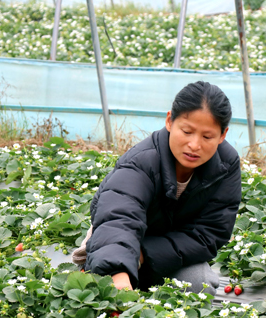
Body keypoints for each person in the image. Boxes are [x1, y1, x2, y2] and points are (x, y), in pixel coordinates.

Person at [73, 81, 241, 294]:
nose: (195, 145)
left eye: (207, 137)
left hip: (165, 257)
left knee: (201, 285)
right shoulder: (140, 162)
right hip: (116, 247)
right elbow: (117, 220)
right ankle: (97, 272)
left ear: (222, 135)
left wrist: (144, 253)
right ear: (170, 121)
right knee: (105, 287)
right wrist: (118, 277)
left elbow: (209, 233)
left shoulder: (225, 165)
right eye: (187, 131)